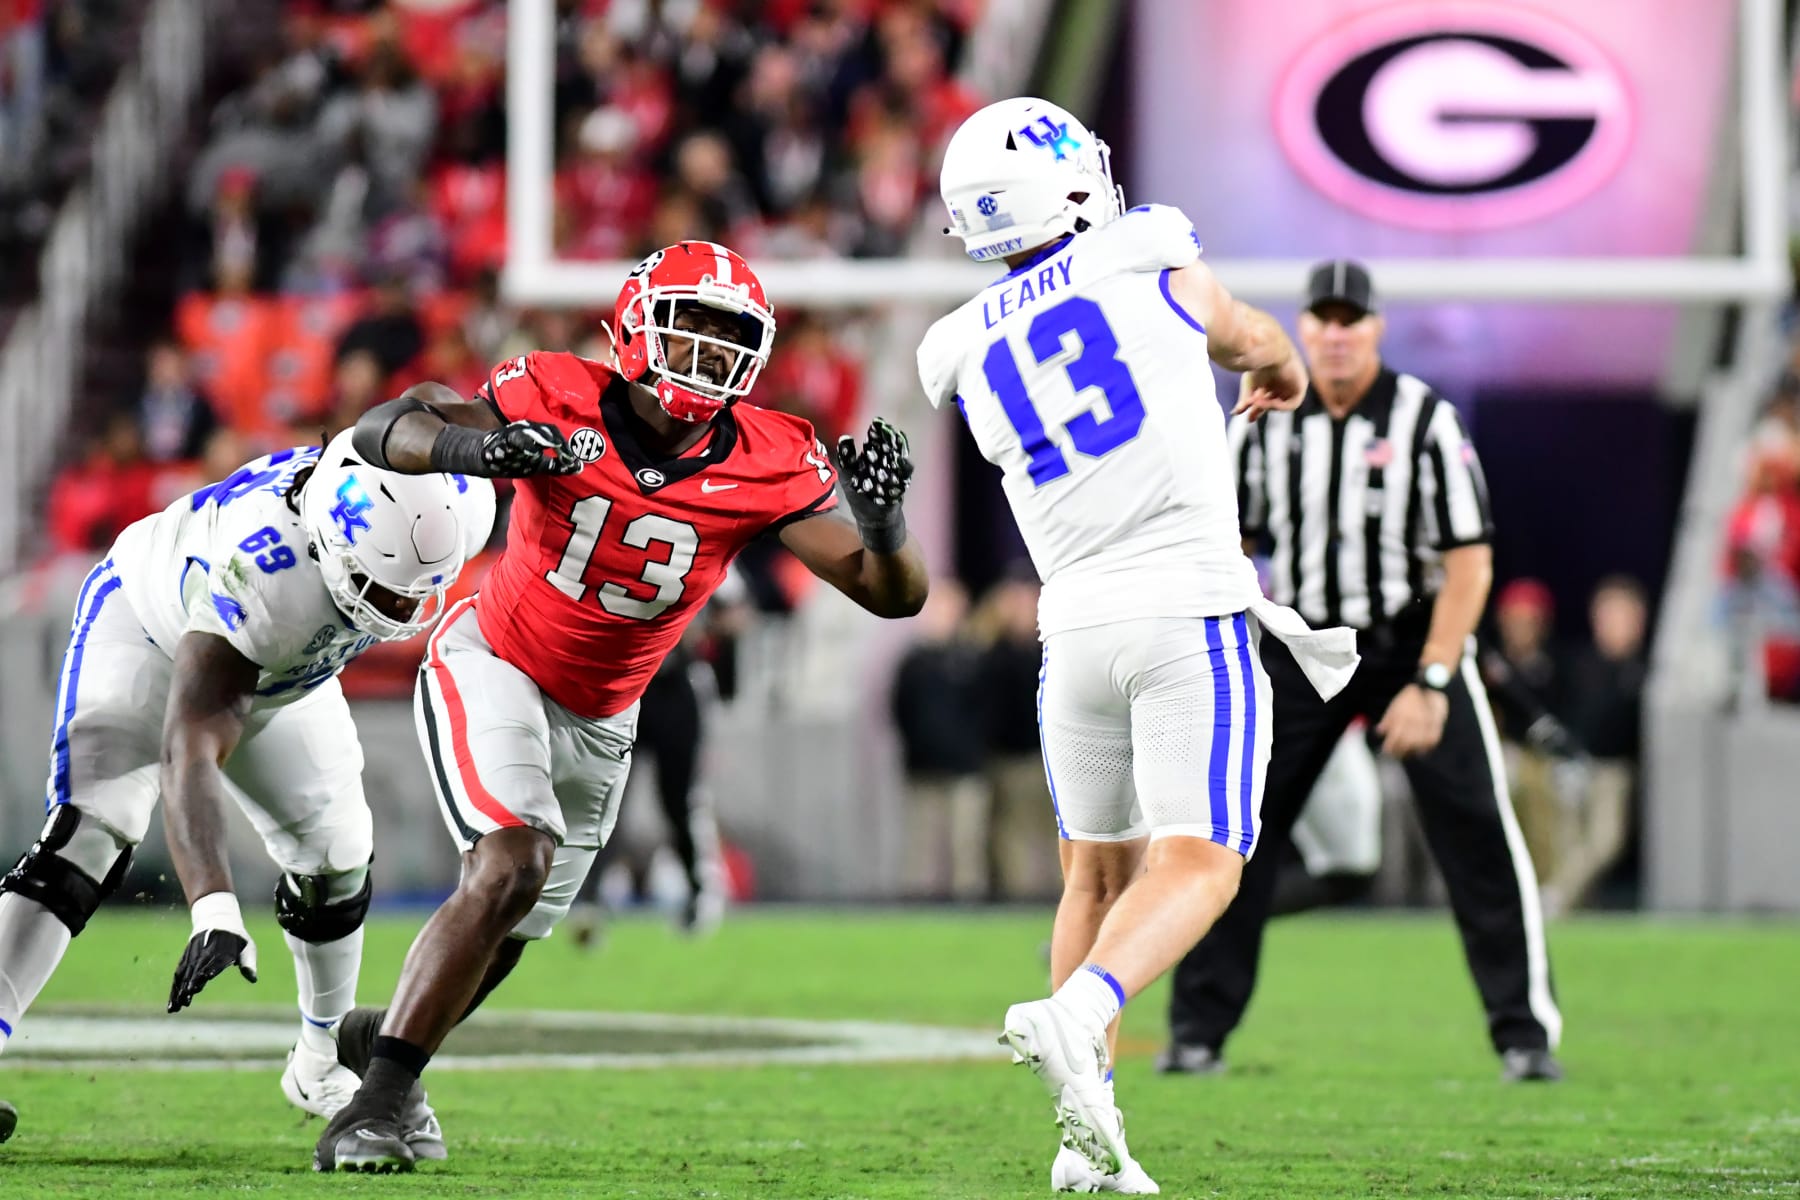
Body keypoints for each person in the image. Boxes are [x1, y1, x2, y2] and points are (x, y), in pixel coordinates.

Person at [309, 239, 929, 1173]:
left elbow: (893, 594)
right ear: (637, 325)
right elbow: (381, 427)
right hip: (497, 661)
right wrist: (476, 447)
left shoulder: (770, 454)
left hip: (607, 713)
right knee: (513, 860)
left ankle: (384, 1040)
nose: (715, 353)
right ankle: (376, 1108)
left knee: (511, 931)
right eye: (697, 326)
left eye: (733, 337)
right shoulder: (554, 391)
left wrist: (884, 528)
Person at [918, 98, 1358, 1193]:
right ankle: (1080, 1014)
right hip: (1182, 606)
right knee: (1204, 858)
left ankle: (1085, 1142)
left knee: (1095, 875)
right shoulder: (1144, 246)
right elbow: (1245, 335)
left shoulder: (960, 347)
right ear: (1070, 185)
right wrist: (1284, 368)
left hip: (1070, 628)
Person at [0, 432, 488, 1146]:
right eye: (380, 583)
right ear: (332, 542)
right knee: (90, 834)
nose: (394, 604)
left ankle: (321, 1063)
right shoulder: (263, 576)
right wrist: (214, 906)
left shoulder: (446, 500)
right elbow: (188, 748)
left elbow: (420, 412)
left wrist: (488, 444)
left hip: (281, 670)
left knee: (338, 855)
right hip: (151, 634)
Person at [1162, 260, 1564, 1085]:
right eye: (1323, 321)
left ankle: (1524, 1035)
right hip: (1304, 643)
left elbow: (1468, 563)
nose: (1337, 335)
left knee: (1479, 834)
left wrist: (1436, 681)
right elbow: (1228, 540)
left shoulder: (1423, 419)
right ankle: (1196, 1030)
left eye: (1352, 321)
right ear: (1303, 330)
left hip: (1408, 642)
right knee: (1232, 833)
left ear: (1376, 330)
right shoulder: (1264, 419)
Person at [890, 580, 989, 901]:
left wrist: (974, 749)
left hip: (965, 767)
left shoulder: (972, 658)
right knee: (921, 841)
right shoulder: (913, 662)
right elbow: (899, 710)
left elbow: (989, 709)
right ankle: (916, 901)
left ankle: (970, 901)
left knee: (967, 842)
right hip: (923, 768)